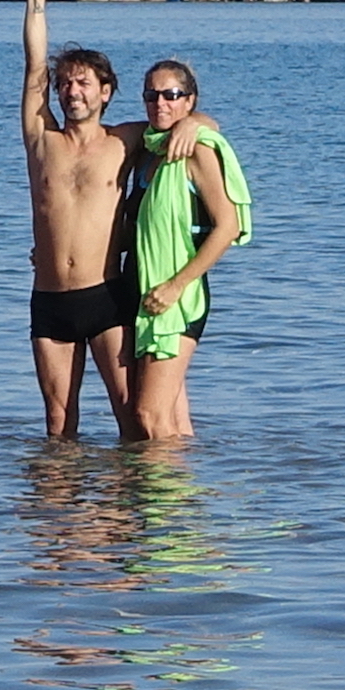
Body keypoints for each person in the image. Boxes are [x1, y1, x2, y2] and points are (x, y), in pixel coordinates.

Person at [20, 0, 141, 440]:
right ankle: (56, 513)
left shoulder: (125, 140)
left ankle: (127, 513)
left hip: (106, 295)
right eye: (66, 83)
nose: (72, 91)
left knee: (130, 413)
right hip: (49, 299)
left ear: (106, 92)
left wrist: (198, 123)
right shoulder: (41, 137)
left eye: (83, 83)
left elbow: (190, 123)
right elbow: (33, 68)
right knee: (57, 423)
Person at [126, 58, 252, 443]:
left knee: (149, 414)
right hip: (142, 290)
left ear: (189, 101)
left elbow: (228, 226)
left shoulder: (196, 149)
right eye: (151, 95)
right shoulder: (149, 149)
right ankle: (180, 498)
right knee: (174, 420)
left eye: (171, 95)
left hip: (178, 297)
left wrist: (176, 285)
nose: (160, 103)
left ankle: (162, 501)